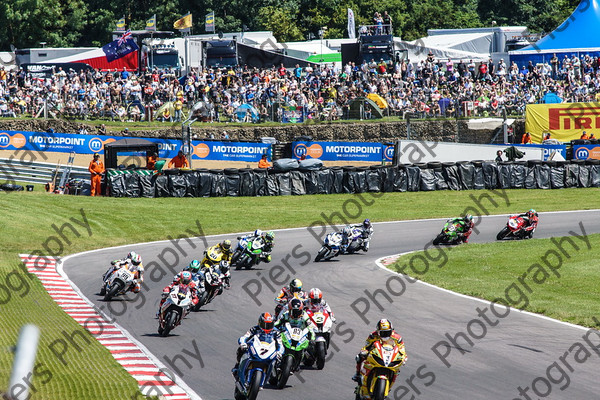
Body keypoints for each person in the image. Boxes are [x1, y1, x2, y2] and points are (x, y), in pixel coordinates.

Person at [352, 319, 407, 384]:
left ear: (392, 330)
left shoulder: (397, 338)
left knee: (397, 369)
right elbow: (367, 346)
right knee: (359, 357)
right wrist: (364, 351)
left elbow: (402, 349)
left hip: (390, 354)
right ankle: (357, 374)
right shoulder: (373, 336)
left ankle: (391, 380)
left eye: (387, 332)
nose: (385, 335)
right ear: (378, 331)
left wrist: (404, 357)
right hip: (377, 352)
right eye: (382, 333)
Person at [232, 312, 283, 377]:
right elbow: (244, 337)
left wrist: (279, 352)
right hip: (256, 347)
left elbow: (280, 344)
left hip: (269, 350)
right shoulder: (254, 329)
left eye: (269, 325)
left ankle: (274, 372)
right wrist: (243, 343)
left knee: (278, 361)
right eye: (264, 324)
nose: (266, 327)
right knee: (241, 350)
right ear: (259, 323)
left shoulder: (276, 332)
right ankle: (238, 365)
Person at [274, 298, 315, 371]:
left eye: (297, 312)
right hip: (287, 333)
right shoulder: (285, 315)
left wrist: (312, 338)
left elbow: (310, 327)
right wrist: (271, 327)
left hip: (300, 335)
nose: (295, 314)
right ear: (289, 310)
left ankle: (300, 360)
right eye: (293, 312)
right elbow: (277, 323)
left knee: (308, 348)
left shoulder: (305, 316)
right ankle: (277, 358)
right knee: (276, 342)